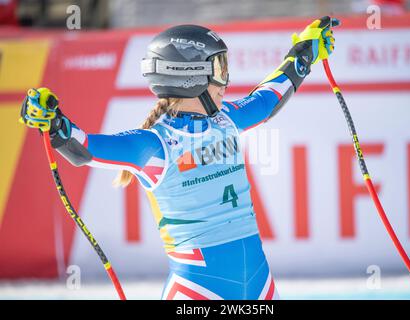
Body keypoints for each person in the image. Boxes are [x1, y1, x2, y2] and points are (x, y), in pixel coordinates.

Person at [20, 16, 339, 300]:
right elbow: (84, 148)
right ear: (191, 76)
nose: (225, 81)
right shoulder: (154, 144)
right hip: (196, 291)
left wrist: (303, 53)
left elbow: (266, 100)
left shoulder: (226, 117)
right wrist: (53, 122)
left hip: (259, 285)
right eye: (219, 69)